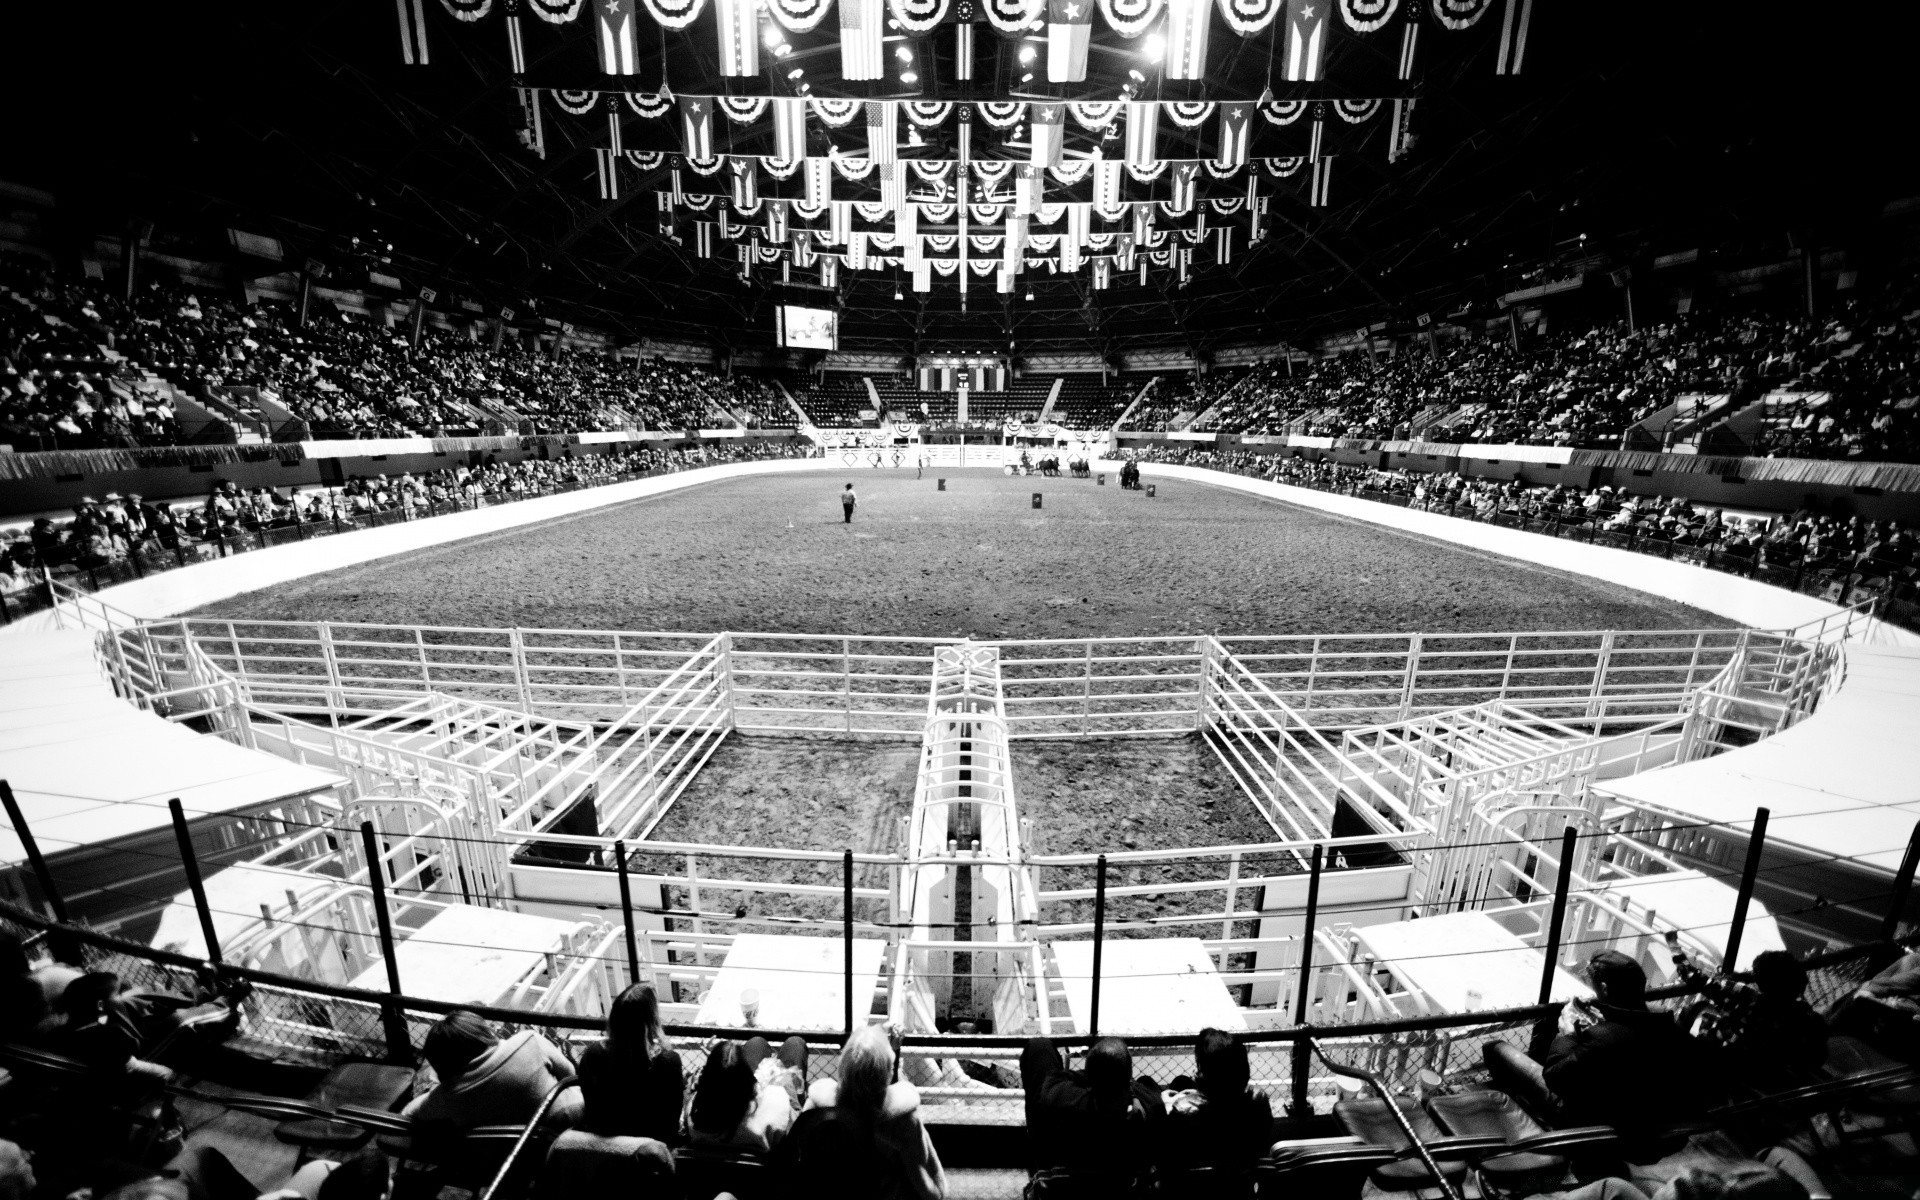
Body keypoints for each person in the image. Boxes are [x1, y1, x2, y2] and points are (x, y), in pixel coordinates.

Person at [1483, 951, 1714, 1134]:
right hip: (1649, 1122)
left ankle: (1536, 1121)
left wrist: (1567, 1032)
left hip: (1592, 1122)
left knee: (1495, 1048)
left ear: (1603, 988)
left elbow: (1554, 1077)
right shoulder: (1670, 1030)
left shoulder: (1604, 1040)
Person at [791, 1024, 945, 1200]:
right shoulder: (905, 1121)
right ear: (888, 1072)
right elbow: (923, 1180)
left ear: (843, 1067)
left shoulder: (819, 1106)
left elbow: (800, 1149)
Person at [1020, 1036, 1164, 1195]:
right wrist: (1129, 1089)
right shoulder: (1150, 1107)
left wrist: (1093, 1073)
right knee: (1145, 1080)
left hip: (1061, 1159)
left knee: (1039, 1047)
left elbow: (1053, 1081)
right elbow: (1148, 1092)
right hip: (1119, 1176)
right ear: (1128, 1076)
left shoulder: (1065, 1099)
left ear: (1090, 1075)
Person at [403, 1010, 580, 1133]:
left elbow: (408, 1113)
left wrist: (439, 1088)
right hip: (566, 1130)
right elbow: (570, 1074)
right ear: (482, 1032)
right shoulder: (528, 1041)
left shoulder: (448, 1096)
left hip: (508, 1160)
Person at [1153, 1029, 1272, 1177]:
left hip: (1197, 1188)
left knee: (1164, 1083)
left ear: (1205, 1073)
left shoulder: (1182, 1112)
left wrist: (1167, 1106)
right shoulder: (1259, 1101)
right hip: (1243, 1186)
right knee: (1182, 1081)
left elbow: (1167, 1161)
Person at [576, 983, 684, 1144]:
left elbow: (590, 1103)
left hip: (603, 1139)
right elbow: (671, 1120)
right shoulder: (667, 1062)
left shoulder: (593, 1054)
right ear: (651, 1021)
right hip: (651, 1146)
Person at [685, 1035, 809, 1154]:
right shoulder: (776, 1098)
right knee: (795, 1043)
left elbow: (719, 1088)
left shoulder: (693, 1112)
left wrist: (721, 1066)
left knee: (756, 1042)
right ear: (745, 1076)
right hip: (770, 1162)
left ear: (708, 1077)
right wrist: (785, 1080)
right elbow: (795, 1128)